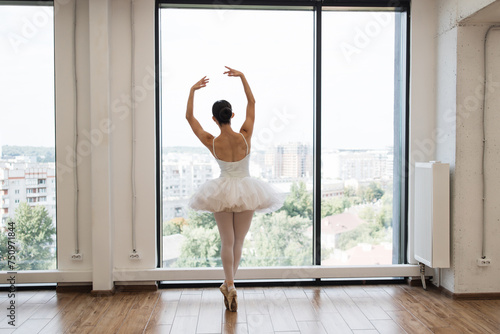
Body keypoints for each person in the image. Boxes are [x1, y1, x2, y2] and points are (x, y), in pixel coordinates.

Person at [186, 66, 284, 312]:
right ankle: (229, 284)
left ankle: (228, 285)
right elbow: (252, 101)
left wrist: (192, 91)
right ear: (232, 114)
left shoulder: (212, 141)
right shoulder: (245, 135)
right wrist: (242, 77)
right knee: (239, 240)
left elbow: (190, 119)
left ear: (215, 119)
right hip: (247, 190)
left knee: (226, 242)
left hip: (220, 191)